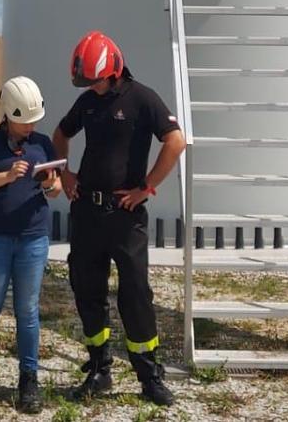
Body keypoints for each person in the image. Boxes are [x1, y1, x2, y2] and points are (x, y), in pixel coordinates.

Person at [52, 31, 186, 406]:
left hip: (126, 217)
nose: (91, 87)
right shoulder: (87, 101)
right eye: (86, 82)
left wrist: (147, 187)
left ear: (113, 71)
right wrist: (65, 174)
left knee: (136, 294)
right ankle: (99, 367)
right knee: (87, 289)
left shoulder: (142, 98)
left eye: (96, 80)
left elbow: (175, 141)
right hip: (87, 212)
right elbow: (60, 134)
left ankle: (148, 374)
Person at [0, 76, 61, 414]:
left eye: (34, 120)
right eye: (25, 121)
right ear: (8, 113)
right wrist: (6, 176)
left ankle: (28, 381)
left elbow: (56, 190)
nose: (31, 126)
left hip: (33, 238)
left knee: (28, 312)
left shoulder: (43, 144)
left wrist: (49, 183)